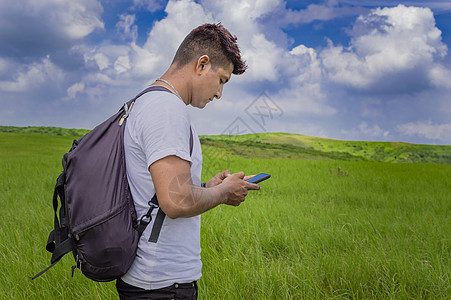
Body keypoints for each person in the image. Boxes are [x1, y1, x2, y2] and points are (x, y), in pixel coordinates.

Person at [116, 23, 261, 299]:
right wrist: (223, 192)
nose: (219, 94)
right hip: (161, 286)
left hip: (153, 282)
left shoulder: (147, 101)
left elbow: (159, 192)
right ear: (202, 64)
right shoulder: (167, 109)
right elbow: (176, 201)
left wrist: (207, 186)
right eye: (222, 81)